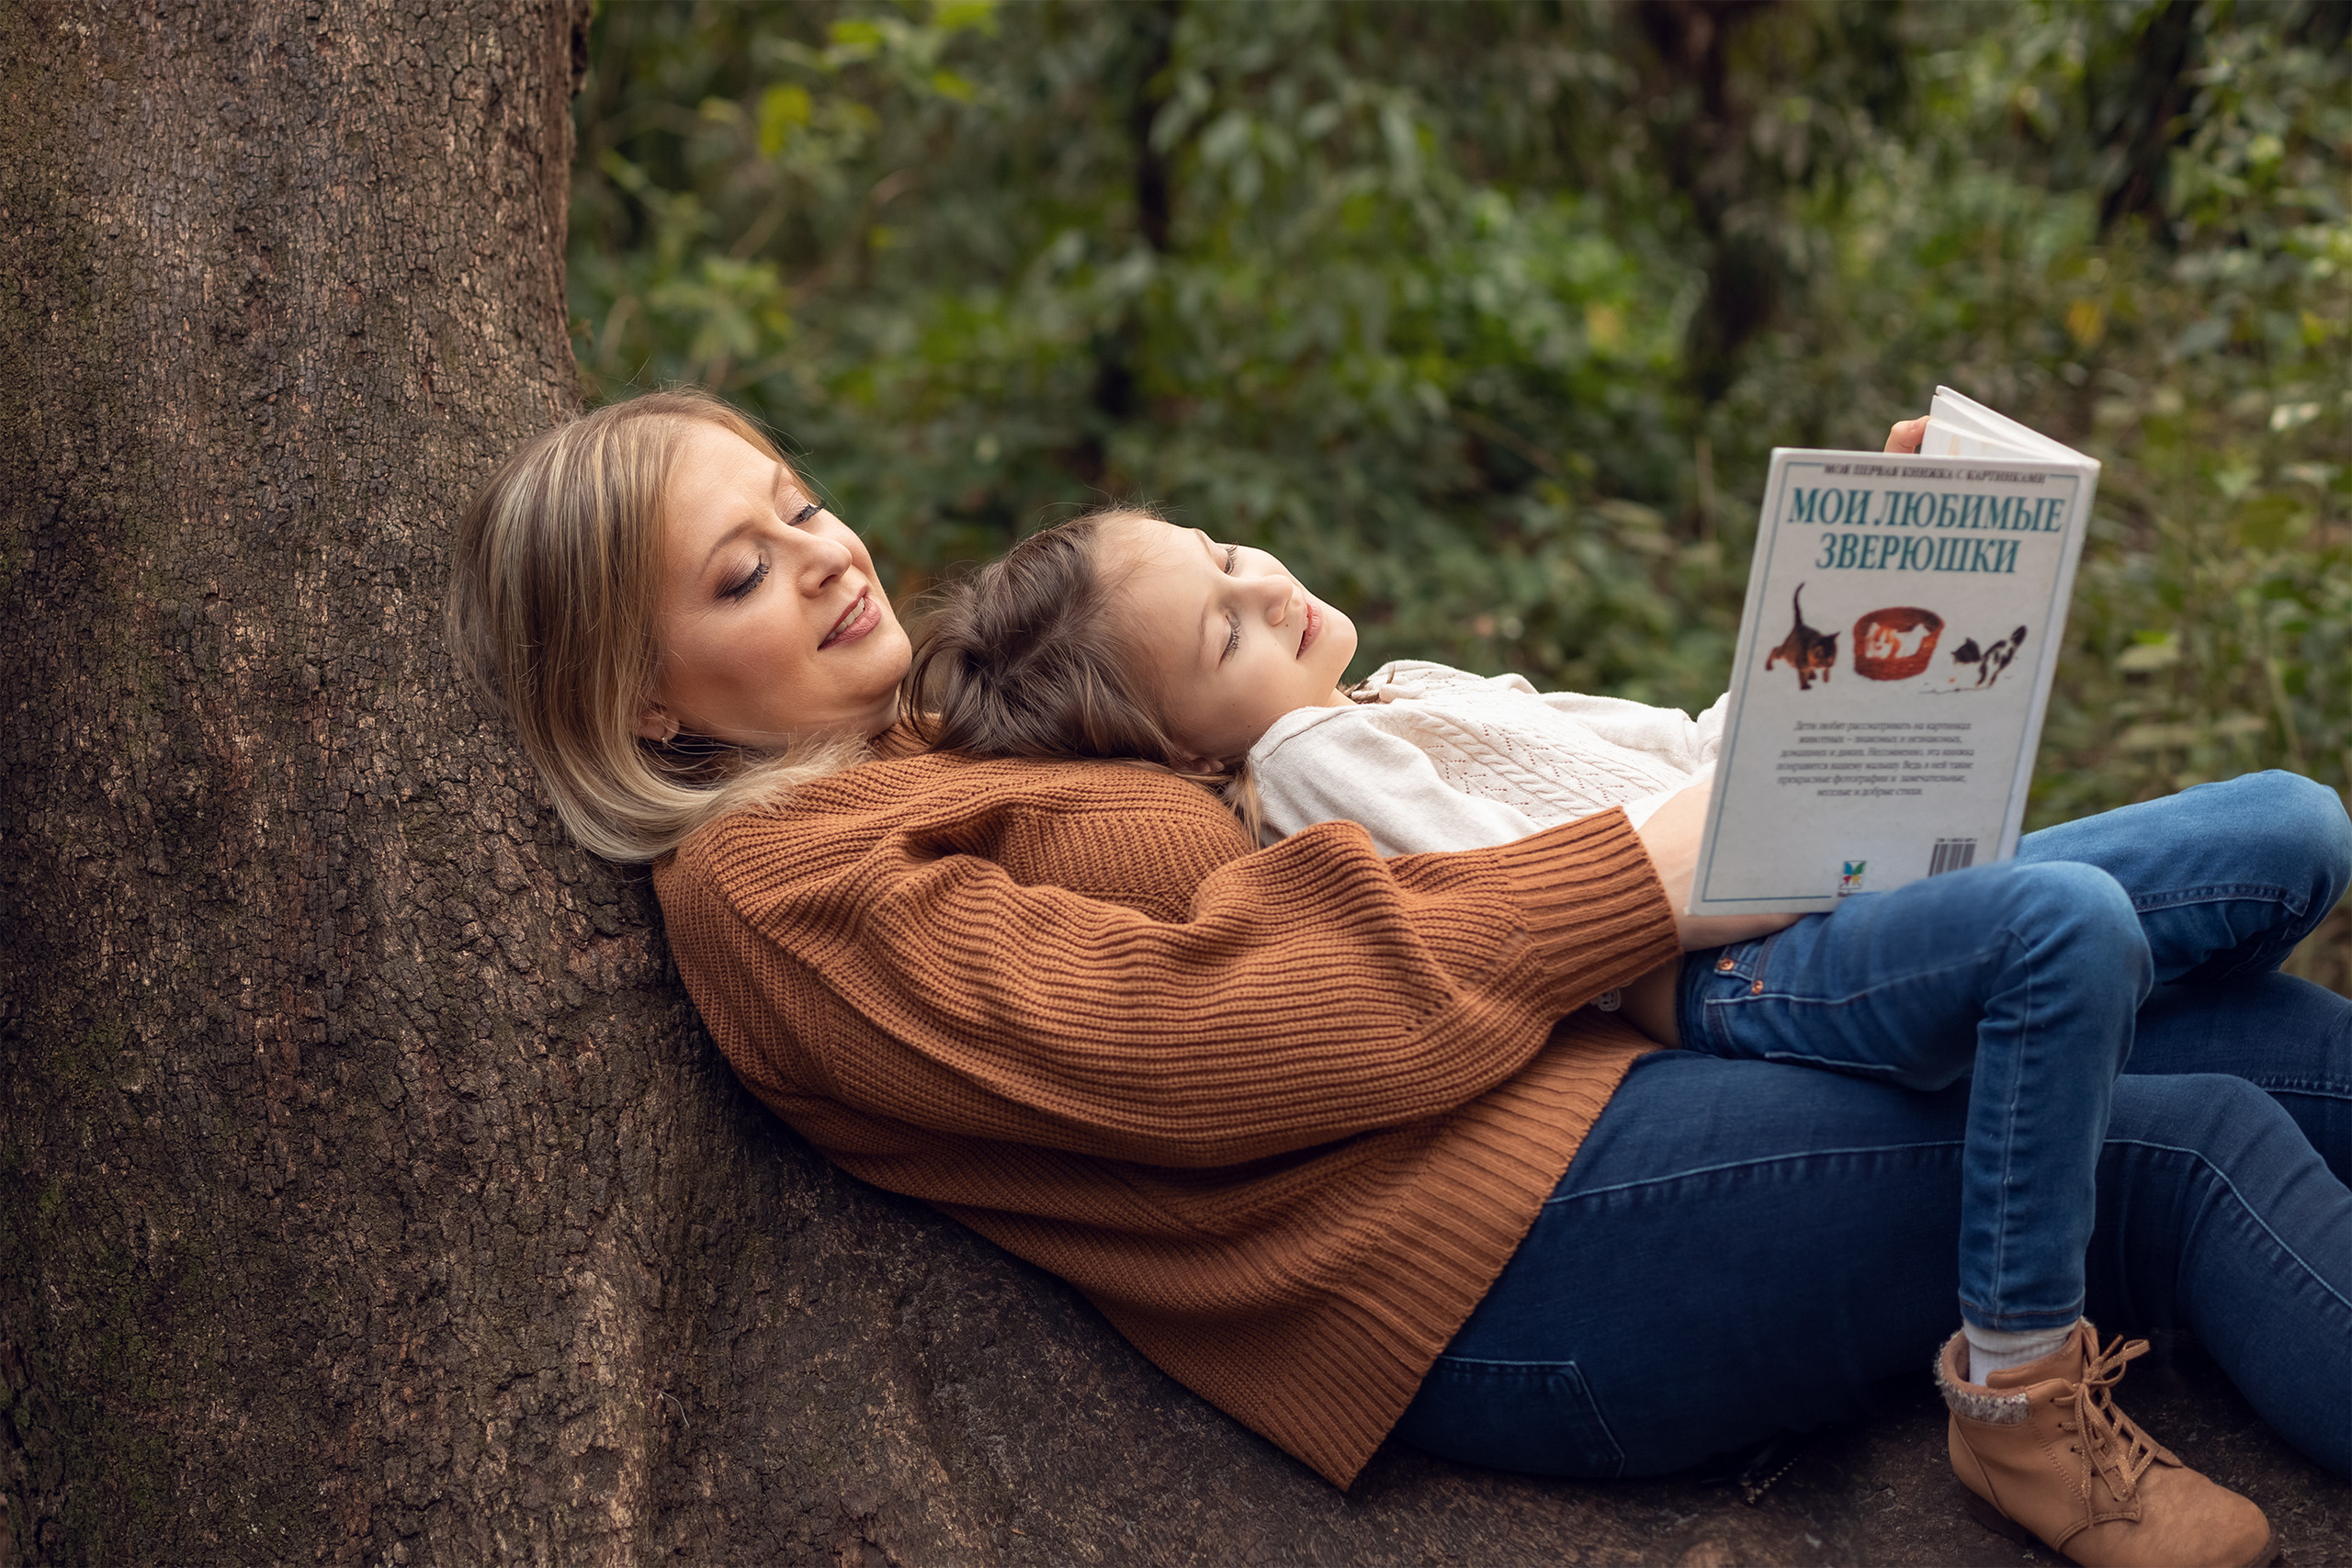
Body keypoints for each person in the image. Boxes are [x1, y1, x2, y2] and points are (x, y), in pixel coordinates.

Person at [448, 389, 2352, 1568]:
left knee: (2275, 1040)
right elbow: (1202, 1043)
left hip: (1587, 1084)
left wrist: (1861, 627)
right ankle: (2022, 1415)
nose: (816, 556)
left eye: (790, 503)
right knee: (2172, 1150)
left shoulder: (945, 748)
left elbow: (1390, 774)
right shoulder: (774, 888)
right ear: (635, 700)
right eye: (733, 576)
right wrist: (1646, 874)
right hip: (1489, 1246)